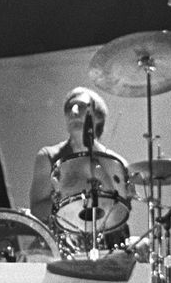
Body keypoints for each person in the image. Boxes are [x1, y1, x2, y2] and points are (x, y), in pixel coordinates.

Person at [29, 86, 134, 255]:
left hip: (108, 246)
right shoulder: (48, 156)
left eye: (82, 106)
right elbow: (37, 208)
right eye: (69, 108)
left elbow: (122, 211)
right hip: (62, 244)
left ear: (98, 117)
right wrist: (69, 206)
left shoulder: (118, 163)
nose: (74, 111)